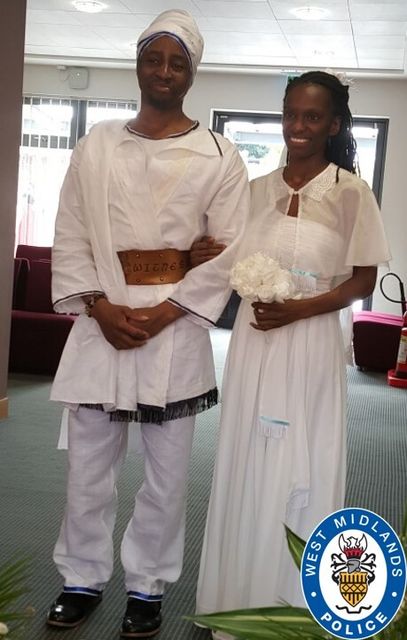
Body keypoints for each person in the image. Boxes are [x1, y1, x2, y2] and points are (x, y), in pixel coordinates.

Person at [46, 9, 249, 638]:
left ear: (193, 72)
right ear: (139, 64)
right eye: (154, 58)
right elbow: (72, 232)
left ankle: (147, 586)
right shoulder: (97, 143)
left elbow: (230, 248)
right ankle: (80, 577)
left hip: (175, 333)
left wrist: (163, 311)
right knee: (87, 467)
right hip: (99, 325)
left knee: (165, 476)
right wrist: (101, 308)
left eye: (178, 61)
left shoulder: (221, 154)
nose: (164, 71)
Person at [194, 71, 391, 639]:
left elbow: (361, 282)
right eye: (289, 115)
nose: (297, 128)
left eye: (311, 117)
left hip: (312, 341)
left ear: (333, 124)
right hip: (257, 341)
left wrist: (300, 310)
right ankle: (235, 596)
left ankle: (292, 603)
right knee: (248, 453)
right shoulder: (254, 191)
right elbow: (228, 259)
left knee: (305, 453)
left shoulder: (351, 193)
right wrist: (211, 254)